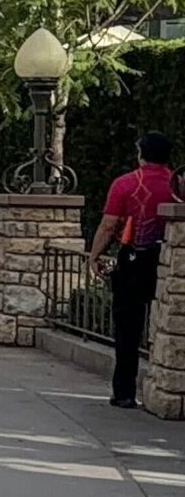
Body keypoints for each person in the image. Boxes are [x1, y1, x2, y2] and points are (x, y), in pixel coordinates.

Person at [88, 131, 173, 409]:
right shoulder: (178, 185)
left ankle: (125, 392)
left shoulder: (126, 183)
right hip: (171, 260)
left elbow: (109, 224)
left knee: (128, 328)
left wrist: (94, 255)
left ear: (140, 154)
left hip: (134, 258)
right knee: (170, 325)